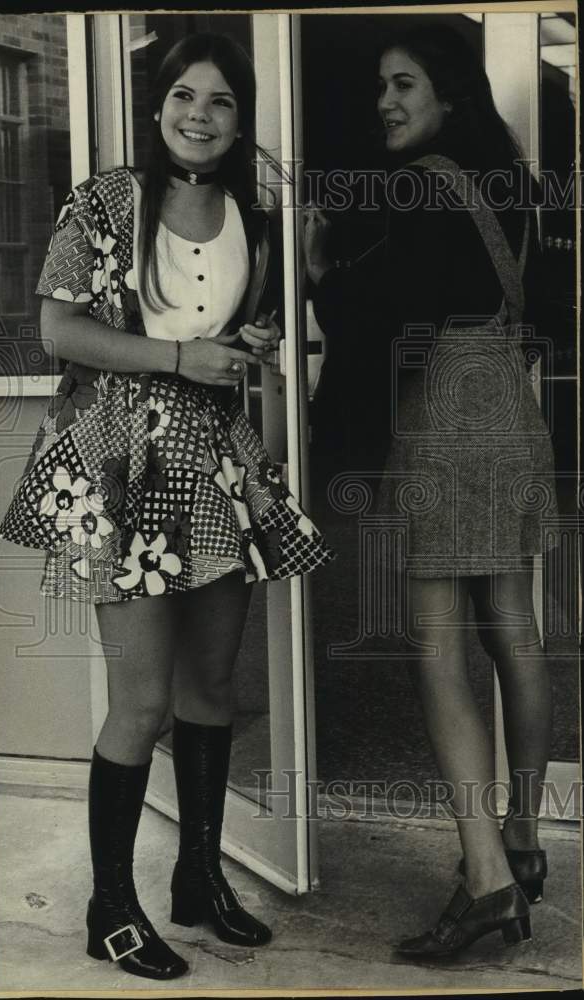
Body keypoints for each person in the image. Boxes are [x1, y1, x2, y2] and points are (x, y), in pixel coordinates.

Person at [0, 32, 333, 981]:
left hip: (216, 467)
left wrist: (262, 331)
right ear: (157, 106)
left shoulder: (254, 219)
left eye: (221, 101)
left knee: (211, 690)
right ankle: (111, 908)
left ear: (241, 116)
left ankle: (199, 879)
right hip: (126, 467)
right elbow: (59, 327)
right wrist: (183, 357)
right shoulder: (106, 200)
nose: (200, 115)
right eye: (184, 95)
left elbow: (264, 341)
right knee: (141, 700)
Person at [305, 23, 556, 959]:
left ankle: (486, 880)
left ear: (447, 92)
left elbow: (382, 312)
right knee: (514, 632)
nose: (385, 101)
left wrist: (325, 272)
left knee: (438, 645)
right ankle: (523, 844)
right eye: (380, 84)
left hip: (446, 409)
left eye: (402, 83)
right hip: (506, 405)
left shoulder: (421, 183)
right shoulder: (512, 182)